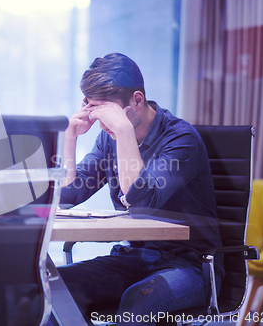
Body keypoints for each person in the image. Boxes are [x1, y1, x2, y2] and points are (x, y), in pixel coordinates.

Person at [57, 53, 224, 325]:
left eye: (108, 114)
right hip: (132, 258)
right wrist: (69, 138)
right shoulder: (108, 139)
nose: (103, 124)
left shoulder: (181, 139)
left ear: (137, 100)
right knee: (53, 286)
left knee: (138, 301)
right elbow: (68, 195)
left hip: (188, 265)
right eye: (95, 111)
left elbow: (141, 201)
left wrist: (122, 130)